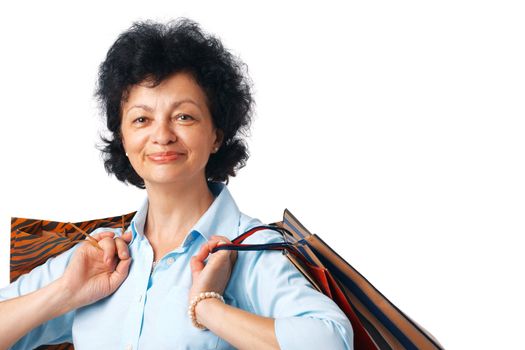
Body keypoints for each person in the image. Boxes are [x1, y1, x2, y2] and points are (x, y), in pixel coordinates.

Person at [0, 19, 353, 349]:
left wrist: (208, 307)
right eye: (141, 119)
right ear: (122, 137)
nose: (162, 135)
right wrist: (64, 292)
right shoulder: (99, 256)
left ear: (216, 133)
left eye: (183, 116)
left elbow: (332, 340)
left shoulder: (244, 251)